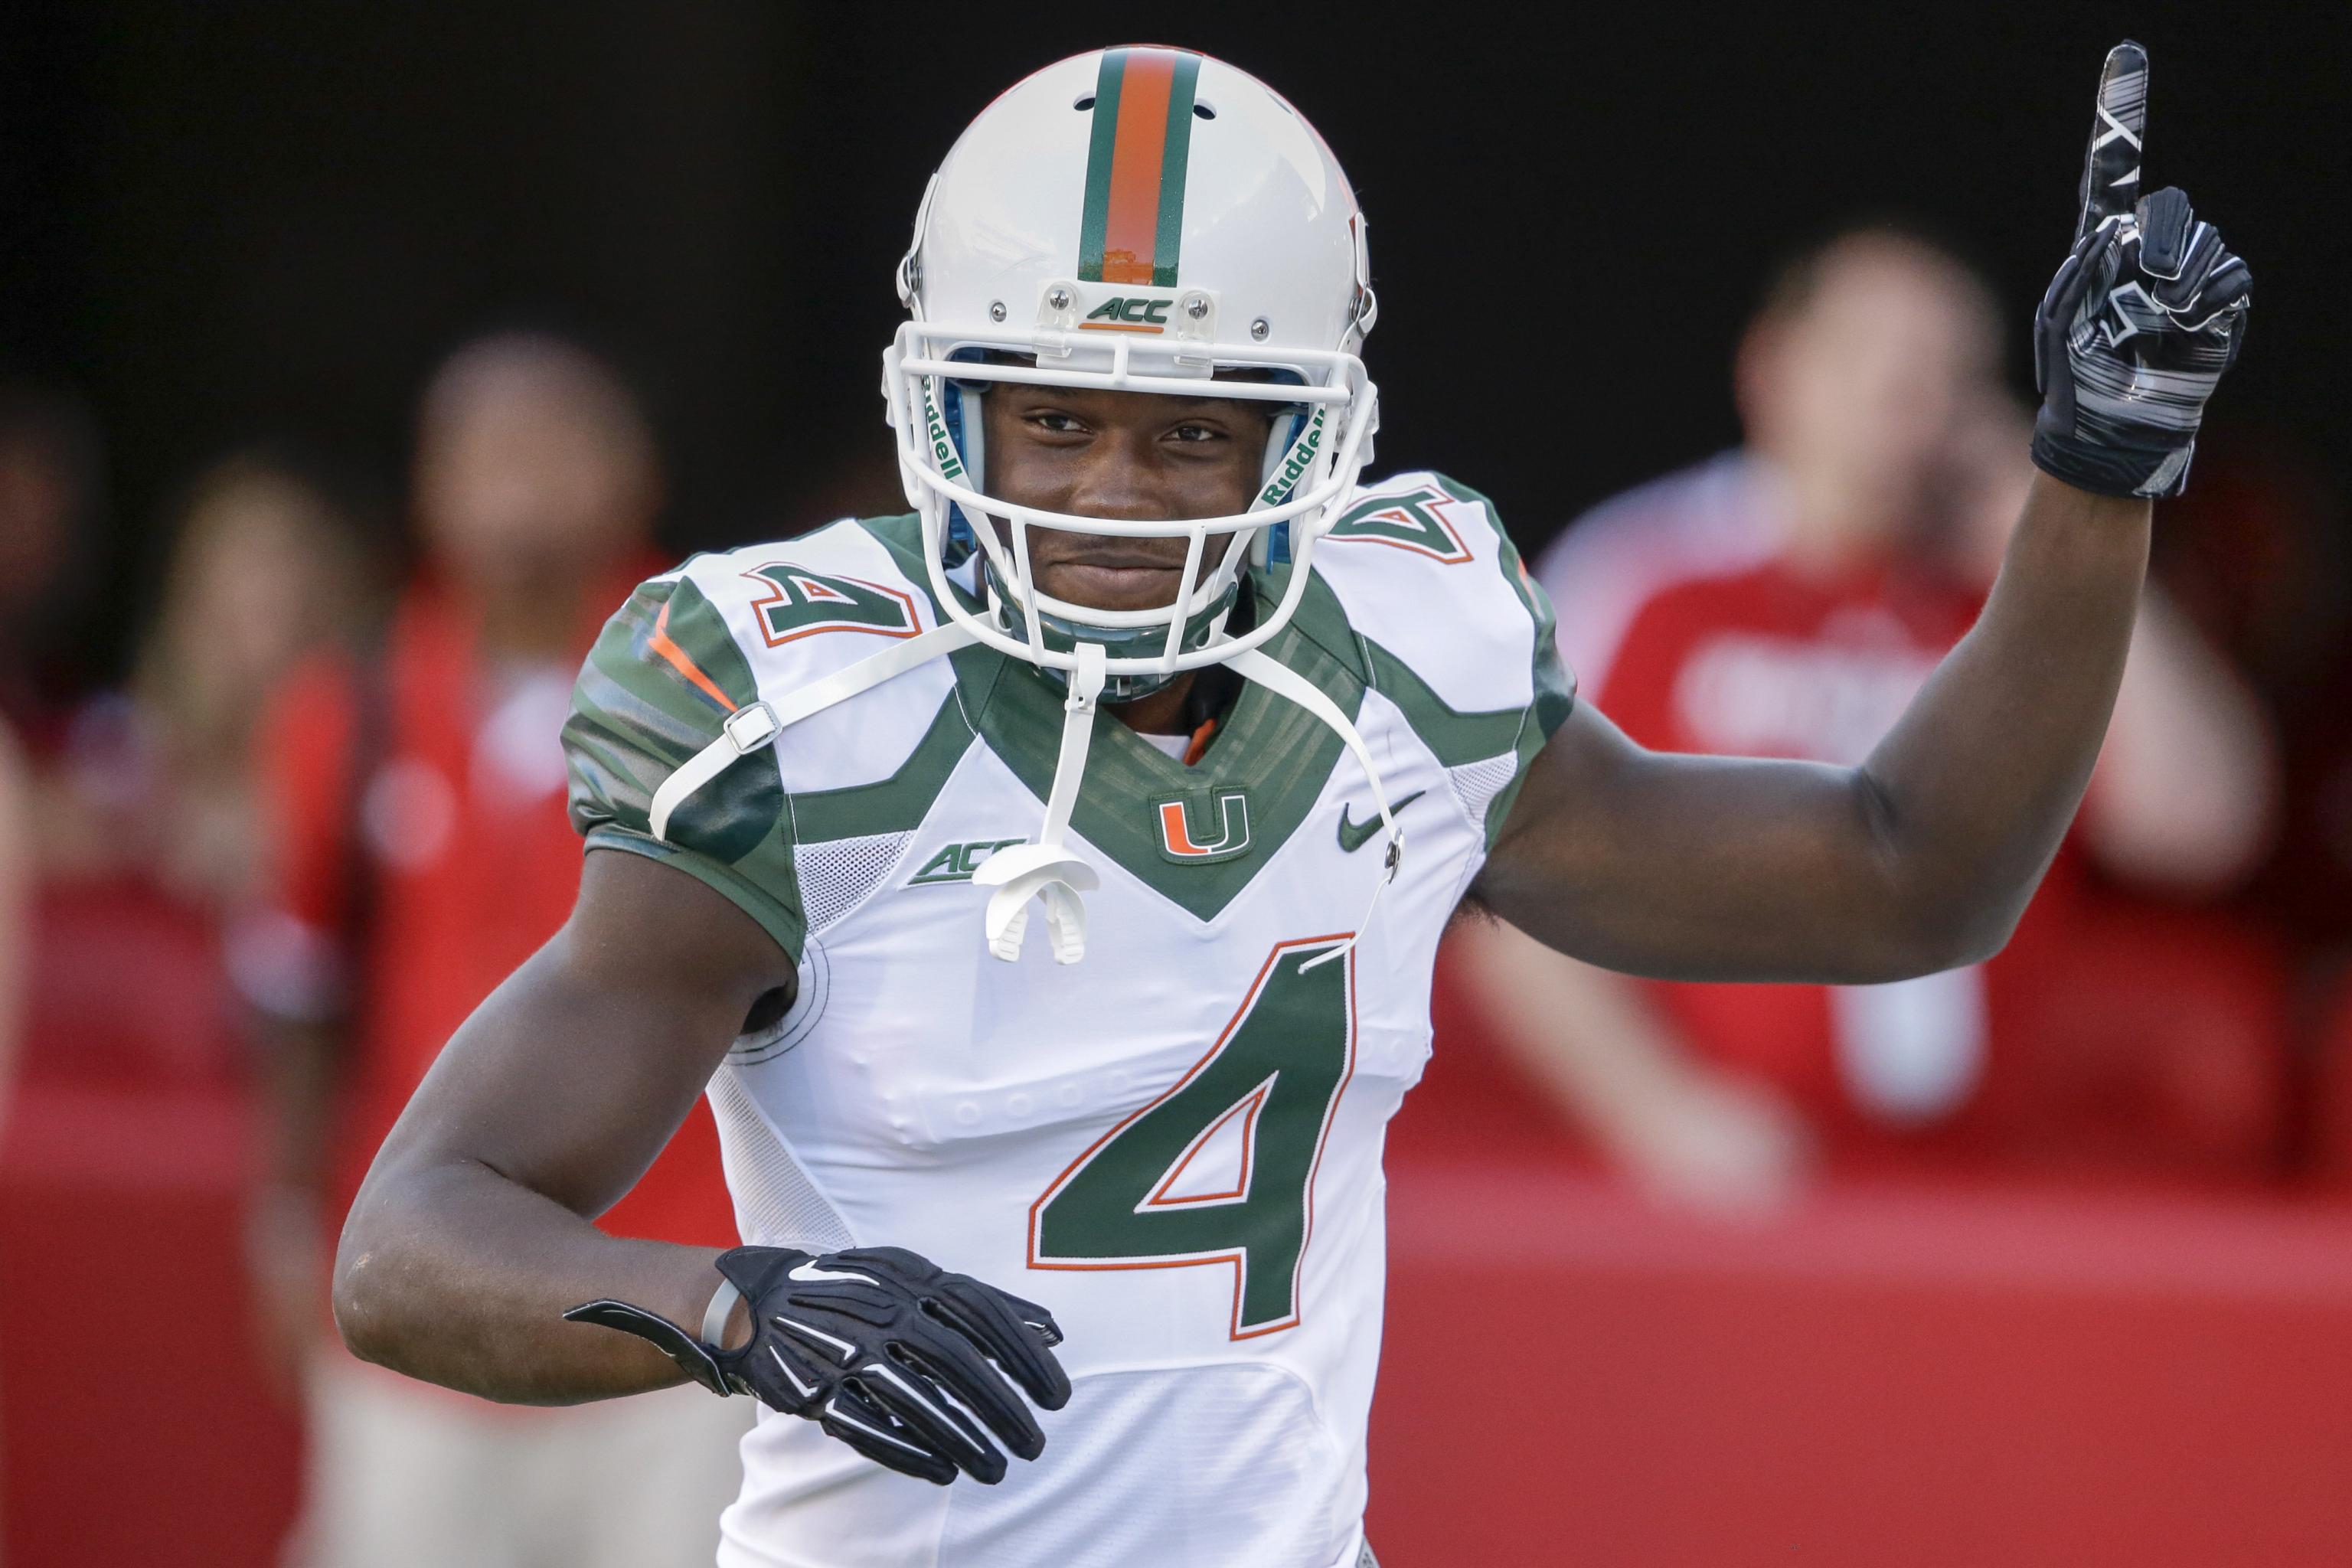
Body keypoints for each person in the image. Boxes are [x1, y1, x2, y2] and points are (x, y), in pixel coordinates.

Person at [328, 43, 2250, 1568]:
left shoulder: (1404, 657)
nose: (1113, 492)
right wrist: (728, 1305)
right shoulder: (805, 704)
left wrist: (2094, 470)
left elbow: (1903, 873)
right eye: (1055, 415)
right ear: (944, 411)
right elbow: (412, 1240)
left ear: (1309, 431)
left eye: (1188, 430)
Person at [1454, 229, 2279, 1207]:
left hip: (1979, 1184)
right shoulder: (1651, 575)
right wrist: (1660, 1112)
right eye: (1867, 353)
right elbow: (1496, 877)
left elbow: (2199, 826)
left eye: (1942, 369)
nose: (1902, 393)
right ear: (1773, 368)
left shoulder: (2005, 597)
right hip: (1729, 1191)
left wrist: (2071, 533)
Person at [243, 335, 748, 1568]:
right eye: (484, 450)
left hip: (676, 1307)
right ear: (429, 487)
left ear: (635, 474)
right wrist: (286, 1221)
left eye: (553, 443)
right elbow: (303, 995)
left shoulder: (732, 682)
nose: (517, 480)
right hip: (426, 1317)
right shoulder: (345, 704)